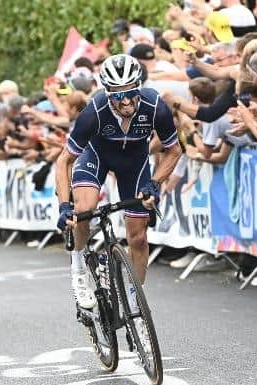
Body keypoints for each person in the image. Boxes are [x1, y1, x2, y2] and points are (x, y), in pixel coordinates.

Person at [55, 54, 182, 312]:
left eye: (130, 92)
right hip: (97, 156)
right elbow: (64, 161)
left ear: (139, 86)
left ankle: (136, 297)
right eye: (116, 95)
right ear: (107, 92)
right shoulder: (94, 111)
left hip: (134, 163)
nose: (125, 101)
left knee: (138, 238)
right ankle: (78, 266)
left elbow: (174, 150)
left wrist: (155, 183)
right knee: (84, 210)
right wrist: (64, 205)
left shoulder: (155, 106)